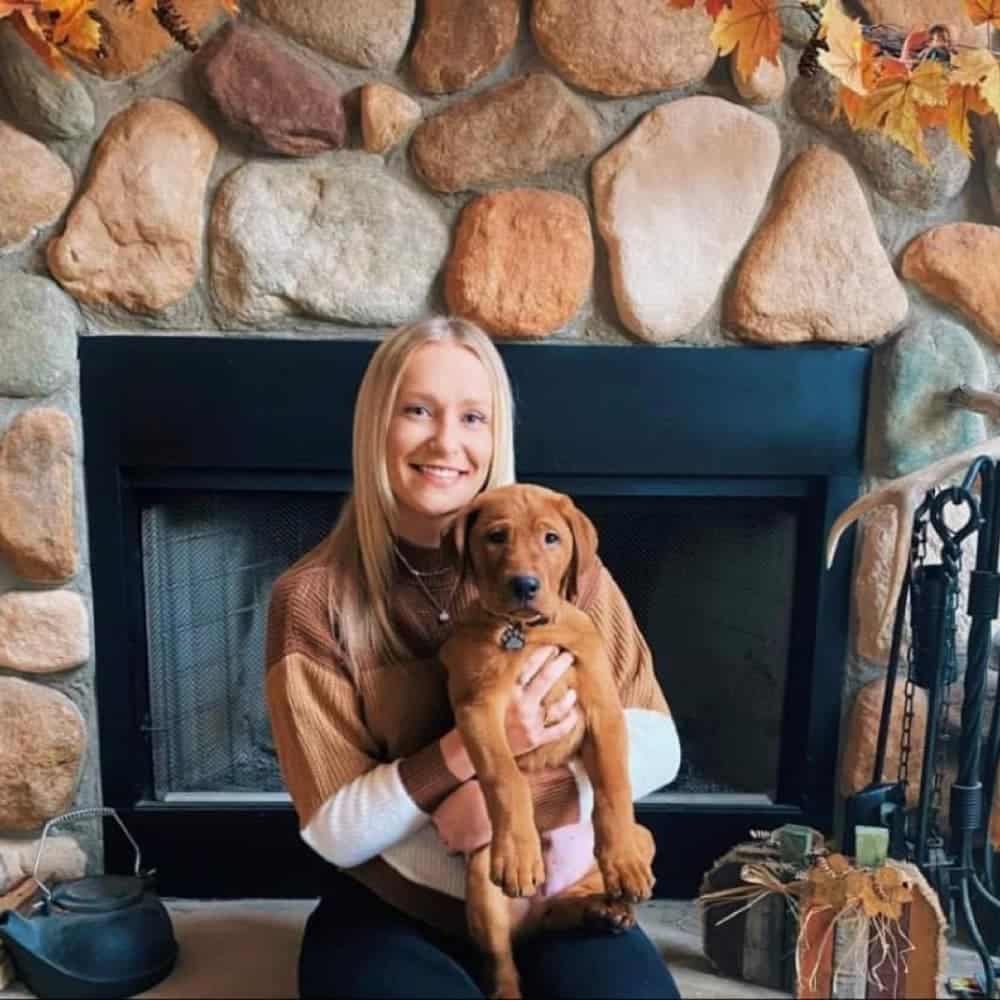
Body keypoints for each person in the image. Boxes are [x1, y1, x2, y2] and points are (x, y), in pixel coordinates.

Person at [265, 316, 683, 999]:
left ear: (496, 437)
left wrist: (527, 802)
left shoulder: (558, 567)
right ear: (378, 426)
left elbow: (657, 744)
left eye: (472, 417)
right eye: (418, 411)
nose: (446, 442)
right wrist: (464, 758)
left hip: (554, 886)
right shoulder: (313, 599)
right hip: (394, 906)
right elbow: (334, 830)